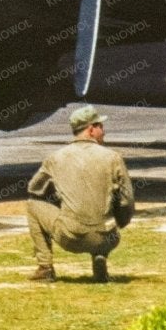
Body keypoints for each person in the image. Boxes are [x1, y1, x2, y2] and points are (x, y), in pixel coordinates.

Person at [26, 106, 134, 283]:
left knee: (32, 206)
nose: (104, 132)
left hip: (71, 237)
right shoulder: (113, 157)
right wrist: (121, 222)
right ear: (91, 129)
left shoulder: (55, 157)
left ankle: (45, 266)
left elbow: (34, 189)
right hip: (108, 237)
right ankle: (100, 255)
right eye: (100, 126)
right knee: (105, 204)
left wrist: (58, 192)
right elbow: (127, 200)